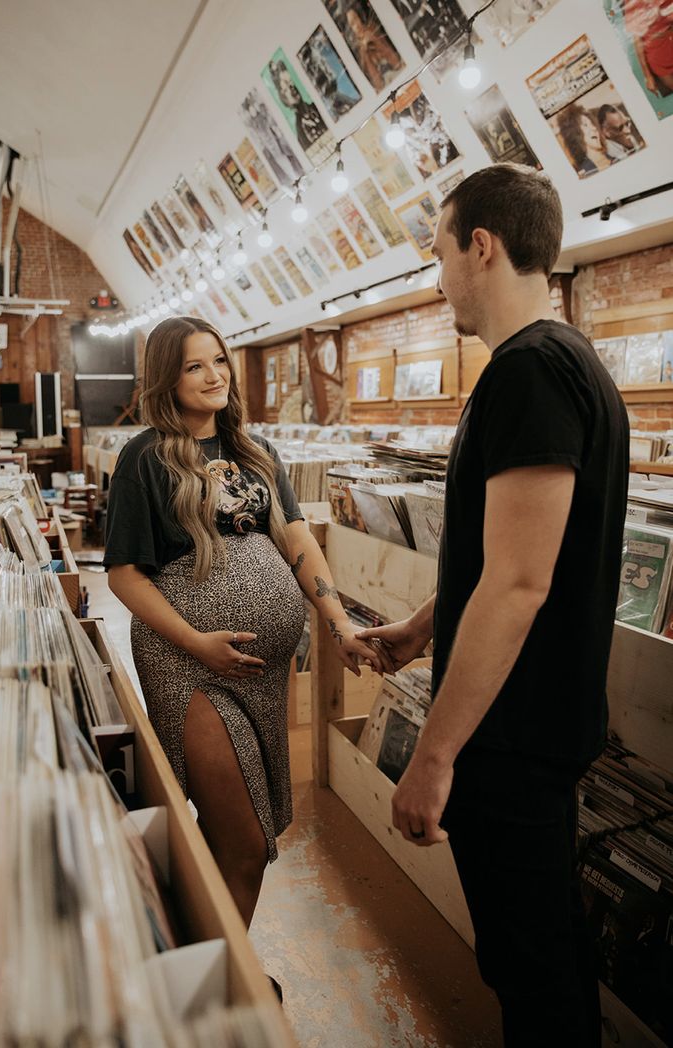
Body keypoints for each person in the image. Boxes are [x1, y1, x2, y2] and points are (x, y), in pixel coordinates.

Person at [358, 163, 629, 1047]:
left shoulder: (530, 372)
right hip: (530, 724)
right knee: (532, 956)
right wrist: (419, 625)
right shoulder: (565, 359)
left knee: (534, 973)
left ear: (480, 246)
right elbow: (504, 554)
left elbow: (519, 584)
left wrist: (434, 756)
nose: (435, 280)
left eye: (438, 254)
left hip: (510, 738)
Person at [104, 316, 382, 933]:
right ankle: (226, 988)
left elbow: (295, 539)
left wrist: (337, 622)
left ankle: (213, 953)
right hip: (190, 666)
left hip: (263, 672)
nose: (214, 376)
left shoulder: (257, 452)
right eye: (194, 366)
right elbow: (123, 574)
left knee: (242, 833)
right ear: (166, 380)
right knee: (245, 840)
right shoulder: (144, 457)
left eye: (219, 361)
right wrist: (197, 640)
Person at [556, 103, 610, 177]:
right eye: (585, 125)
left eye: (593, 124)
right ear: (576, 134)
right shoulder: (586, 174)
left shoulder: (615, 155)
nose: (594, 128)